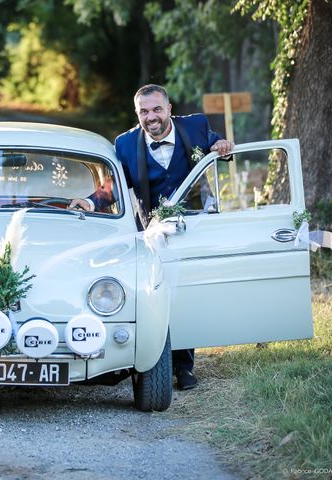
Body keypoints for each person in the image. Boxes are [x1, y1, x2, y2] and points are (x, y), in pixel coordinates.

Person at [70, 84, 235, 390]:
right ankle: (156, 361)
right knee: (159, 292)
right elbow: (114, 186)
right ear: (138, 114)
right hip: (153, 230)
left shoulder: (196, 126)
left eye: (157, 109)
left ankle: (185, 366)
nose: (151, 117)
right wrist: (90, 202)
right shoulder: (126, 143)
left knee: (187, 291)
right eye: (144, 111)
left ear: (169, 109)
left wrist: (222, 147)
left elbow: (217, 148)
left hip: (195, 223)